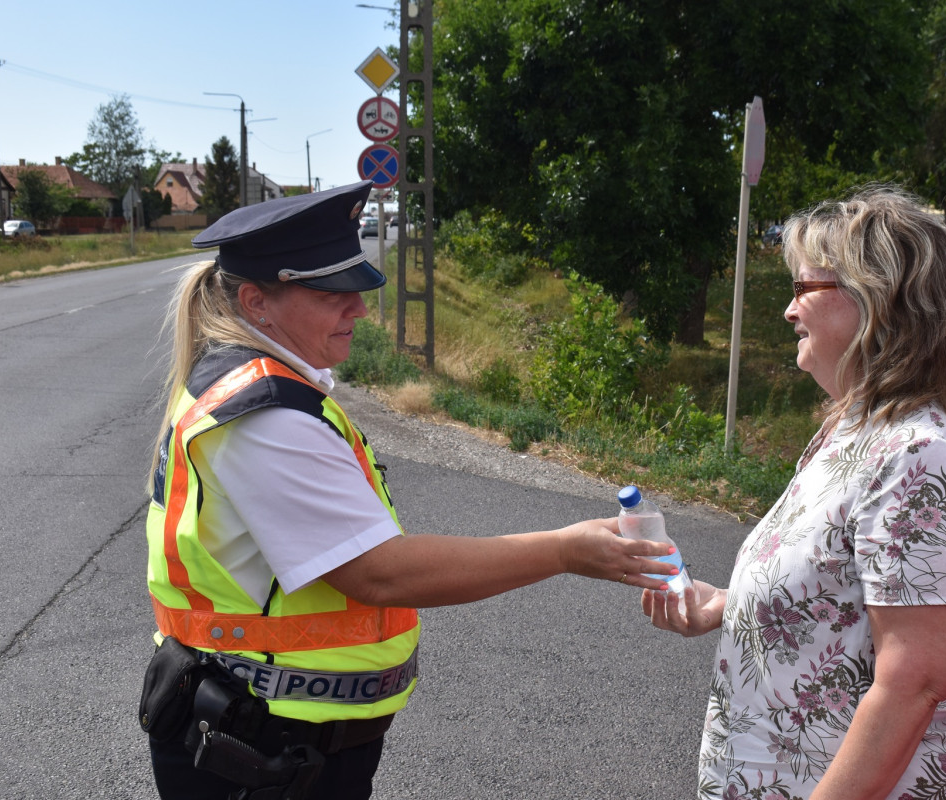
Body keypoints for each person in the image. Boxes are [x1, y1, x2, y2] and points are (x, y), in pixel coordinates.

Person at [140, 180, 676, 800]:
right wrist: (564, 550)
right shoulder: (265, 416)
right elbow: (380, 575)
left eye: (357, 290)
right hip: (256, 747)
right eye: (329, 292)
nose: (359, 310)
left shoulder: (262, 383)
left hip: (267, 735)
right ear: (258, 303)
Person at [644, 185, 946, 800]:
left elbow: (910, 682)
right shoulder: (858, 428)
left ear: (877, 300)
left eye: (803, 288)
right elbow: (848, 603)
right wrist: (733, 605)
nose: (788, 311)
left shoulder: (919, 454)